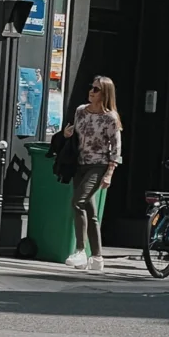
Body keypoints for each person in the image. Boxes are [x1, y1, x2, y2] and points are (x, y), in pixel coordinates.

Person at [64, 75, 122, 274]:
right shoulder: (81, 111)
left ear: (105, 93)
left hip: (99, 165)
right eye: (91, 87)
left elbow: (116, 147)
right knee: (91, 212)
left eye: (96, 89)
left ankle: (80, 250)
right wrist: (67, 134)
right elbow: (76, 135)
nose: (91, 91)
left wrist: (109, 173)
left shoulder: (110, 118)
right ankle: (97, 256)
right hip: (79, 164)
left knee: (78, 202)